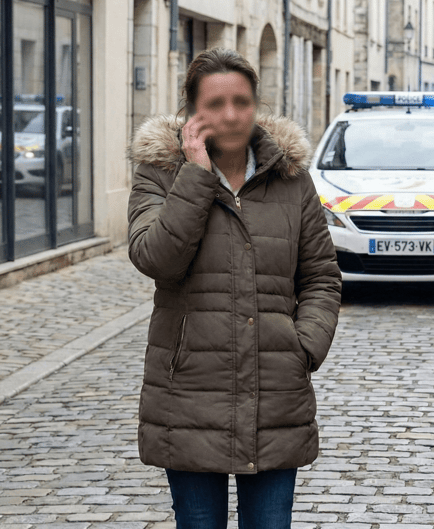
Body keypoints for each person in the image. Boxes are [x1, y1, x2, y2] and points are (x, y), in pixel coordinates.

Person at [127, 48, 342, 528]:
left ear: (255, 104)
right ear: (191, 112)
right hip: (188, 393)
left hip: (275, 391)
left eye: (241, 101)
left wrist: (302, 347)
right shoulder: (159, 173)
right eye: (216, 104)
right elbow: (155, 258)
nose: (230, 115)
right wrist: (196, 175)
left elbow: (322, 276)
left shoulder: (291, 179)